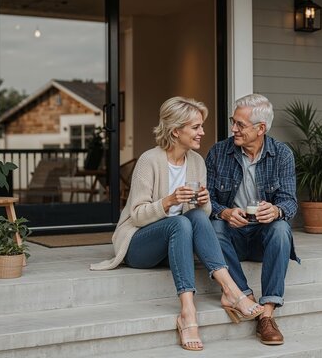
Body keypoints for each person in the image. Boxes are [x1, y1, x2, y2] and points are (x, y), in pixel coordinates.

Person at [90, 96, 263, 351]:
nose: (202, 132)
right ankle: (188, 311)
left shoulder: (196, 162)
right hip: (139, 245)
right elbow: (136, 215)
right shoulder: (149, 161)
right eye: (195, 127)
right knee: (180, 224)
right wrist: (168, 201)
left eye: (201, 126)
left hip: (175, 245)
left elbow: (199, 216)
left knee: (191, 218)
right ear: (175, 130)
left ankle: (230, 290)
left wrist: (204, 202)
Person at [205, 93, 298, 346]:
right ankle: (243, 297)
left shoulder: (282, 154)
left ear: (261, 129)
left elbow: (290, 201)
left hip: (262, 237)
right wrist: (225, 213)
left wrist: (277, 211)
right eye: (233, 122)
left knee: (281, 228)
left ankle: (266, 314)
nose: (233, 128)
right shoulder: (218, 152)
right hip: (231, 234)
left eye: (240, 125)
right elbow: (206, 200)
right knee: (212, 226)